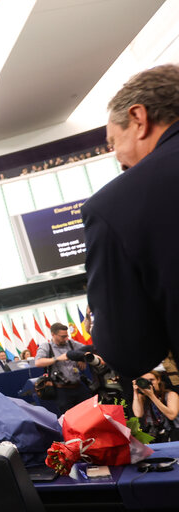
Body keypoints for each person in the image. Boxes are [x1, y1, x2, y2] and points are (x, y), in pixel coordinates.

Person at [82, 64, 179, 380]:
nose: (117, 158)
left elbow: (127, 352)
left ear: (139, 119)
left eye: (113, 143)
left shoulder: (114, 205)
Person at [34, 323, 92, 413]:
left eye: (66, 336)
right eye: (62, 336)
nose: (66, 338)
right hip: (62, 391)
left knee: (90, 411)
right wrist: (56, 359)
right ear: (53, 334)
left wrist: (81, 358)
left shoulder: (71, 343)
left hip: (78, 386)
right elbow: (38, 362)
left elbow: (87, 349)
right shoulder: (46, 346)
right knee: (71, 418)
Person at [132, 371, 179, 442]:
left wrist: (152, 396)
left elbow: (171, 416)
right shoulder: (143, 397)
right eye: (146, 381)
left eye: (152, 380)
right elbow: (138, 414)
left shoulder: (171, 395)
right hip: (157, 434)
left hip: (175, 432)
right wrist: (135, 392)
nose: (150, 383)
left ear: (158, 380)